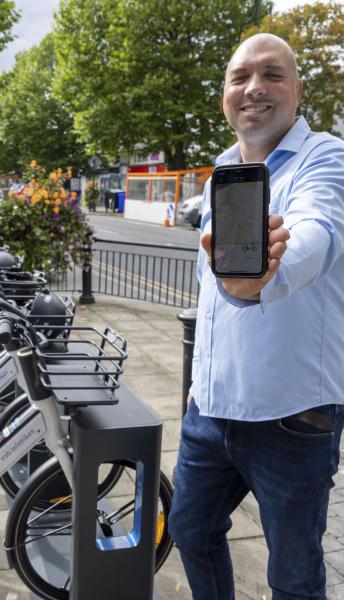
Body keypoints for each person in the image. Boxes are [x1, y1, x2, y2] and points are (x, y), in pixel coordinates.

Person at [168, 33, 344, 600]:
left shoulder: (327, 157)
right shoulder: (220, 170)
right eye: (240, 77)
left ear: (296, 89)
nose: (254, 89)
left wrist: (269, 273)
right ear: (225, 94)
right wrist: (198, 390)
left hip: (293, 418)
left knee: (292, 575)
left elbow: (317, 229)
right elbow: (213, 296)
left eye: (271, 75)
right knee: (190, 532)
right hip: (210, 410)